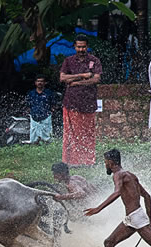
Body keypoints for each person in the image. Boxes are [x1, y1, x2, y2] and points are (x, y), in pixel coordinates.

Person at [59, 35, 101, 166]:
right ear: (75, 47)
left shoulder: (94, 61)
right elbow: (62, 78)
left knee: (87, 133)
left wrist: (76, 83)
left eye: (83, 47)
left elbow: (96, 79)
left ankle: (87, 160)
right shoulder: (68, 61)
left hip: (88, 103)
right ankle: (71, 161)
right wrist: (81, 76)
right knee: (70, 134)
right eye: (79, 46)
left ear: (87, 47)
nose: (81, 49)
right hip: (71, 103)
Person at [26, 75, 57, 144]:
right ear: (35, 83)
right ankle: (33, 149)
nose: (40, 83)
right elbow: (28, 105)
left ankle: (48, 149)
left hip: (46, 117)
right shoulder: (31, 93)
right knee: (33, 138)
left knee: (47, 138)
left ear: (45, 83)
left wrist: (51, 112)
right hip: (34, 117)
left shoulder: (49, 93)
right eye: (38, 81)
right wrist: (30, 113)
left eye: (41, 81)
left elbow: (54, 105)